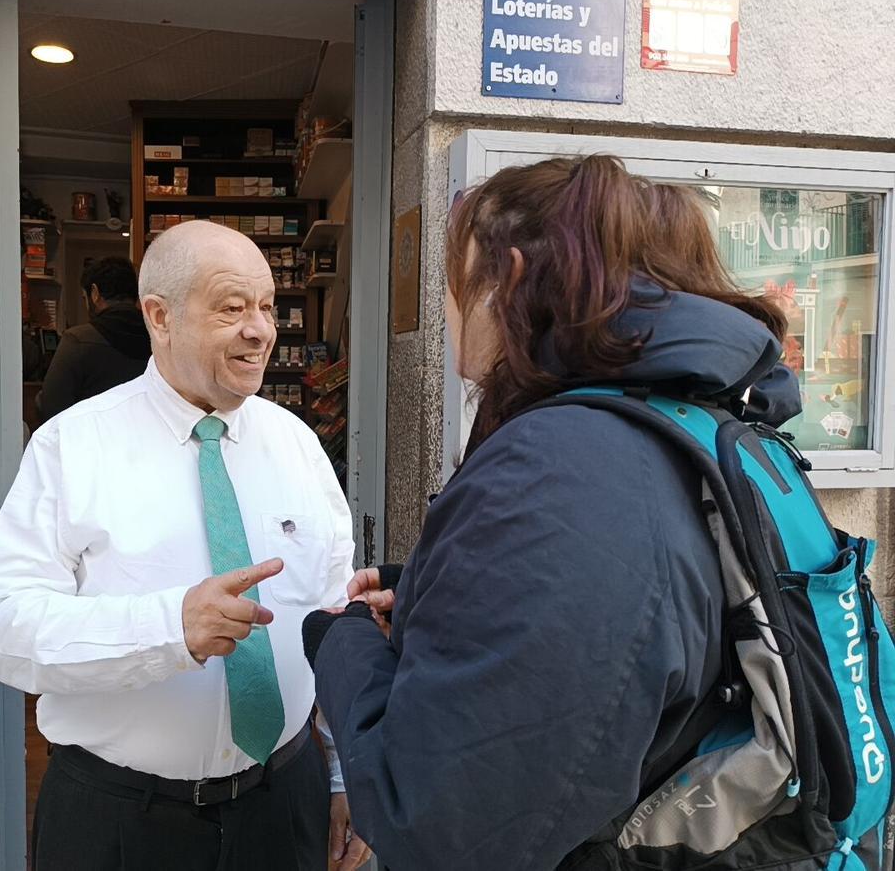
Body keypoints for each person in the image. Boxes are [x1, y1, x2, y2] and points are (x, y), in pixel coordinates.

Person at [301, 158, 793, 869]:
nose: (448, 309)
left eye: (454, 281)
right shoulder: (685, 423)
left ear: (509, 277)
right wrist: (445, 593)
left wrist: (343, 642)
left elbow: (437, 824)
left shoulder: (559, 468)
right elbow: (632, 619)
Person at [0, 220, 372, 871]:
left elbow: (330, 614)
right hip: (120, 823)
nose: (261, 330)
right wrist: (169, 628)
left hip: (283, 805)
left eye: (267, 307)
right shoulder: (72, 447)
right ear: (159, 316)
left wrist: (342, 771)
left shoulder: (297, 443)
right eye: (232, 308)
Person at [36, 255, 151, 422]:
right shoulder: (159, 340)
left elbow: (51, 408)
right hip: (147, 434)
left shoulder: (77, 341)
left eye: (85, 298)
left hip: (88, 436)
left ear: (95, 293)